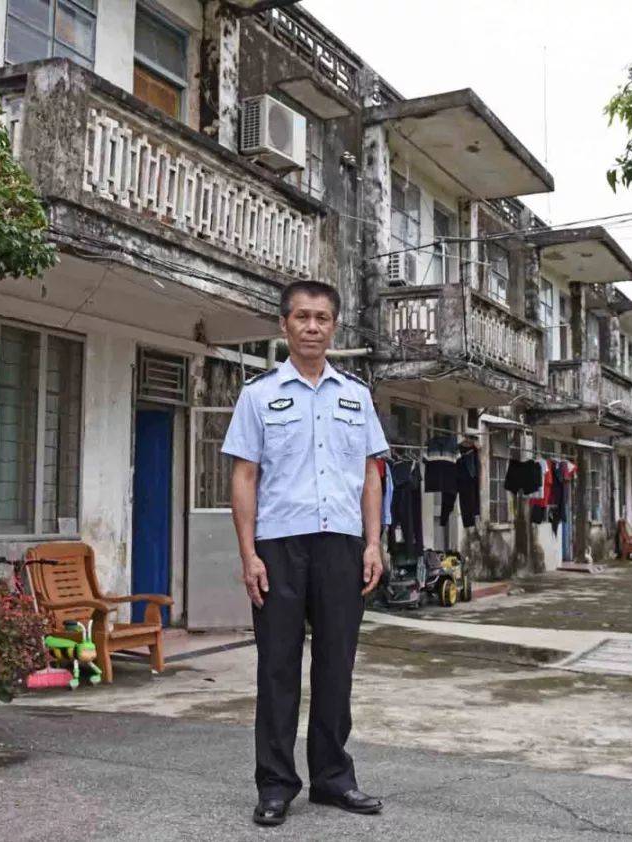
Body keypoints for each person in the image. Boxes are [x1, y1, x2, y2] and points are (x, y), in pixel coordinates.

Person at [221, 280, 389, 827]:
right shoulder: (259, 394)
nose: (312, 327)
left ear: (335, 326)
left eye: (322, 318)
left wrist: (373, 543)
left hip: (341, 544)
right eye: (302, 317)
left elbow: (370, 474)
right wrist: (248, 554)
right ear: (284, 325)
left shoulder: (356, 395)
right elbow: (244, 476)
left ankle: (333, 779)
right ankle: (275, 785)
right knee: (277, 668)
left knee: (336, 666)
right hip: (280, 546)